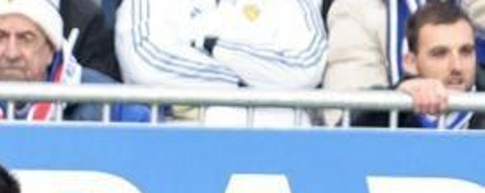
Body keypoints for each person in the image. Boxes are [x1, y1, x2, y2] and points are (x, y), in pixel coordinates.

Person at [115, 0, 328, 125]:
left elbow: (306, 65)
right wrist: (248, 85)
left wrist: (211, 46)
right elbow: (147, 61)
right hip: (185, 146)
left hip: (284, 146)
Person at [0, 0, 121, 121]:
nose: (12, 53)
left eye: (26, 38)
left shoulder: (105, 100)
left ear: (50, 50)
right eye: (0, 37)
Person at [348, 1, 481, 128]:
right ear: (410, 63)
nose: (456, 66)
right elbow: (343, 134)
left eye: (466, 52)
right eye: (440, 54)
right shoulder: (390, 112)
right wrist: (396, 95)